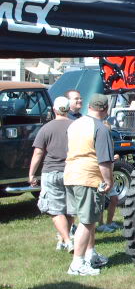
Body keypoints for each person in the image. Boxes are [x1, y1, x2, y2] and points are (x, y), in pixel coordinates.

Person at [64, 93, 113, 276]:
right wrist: (108, 180)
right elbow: (104, 160)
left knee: (86, 219)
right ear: (105, 109)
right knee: (87, 221)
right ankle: (77, 264)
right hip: (88, 177)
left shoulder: (75, 124)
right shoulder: (101, 128)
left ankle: (90, 255)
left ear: (90, 106)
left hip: (70, 174)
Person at [28, 96, 76, 252]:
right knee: (69, 209)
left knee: (55, 210)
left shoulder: (46, 128)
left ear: (54, 109)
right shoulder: (76, 127)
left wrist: (31, 174)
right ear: (69, 109)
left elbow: (38, 153)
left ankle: (68, 241)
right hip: (72, 171)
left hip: (51, 172)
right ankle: (63, 239)